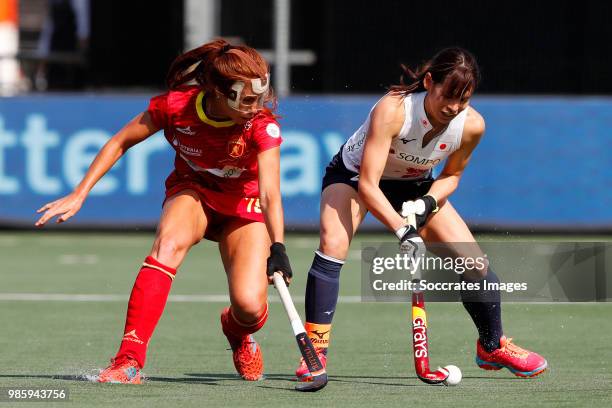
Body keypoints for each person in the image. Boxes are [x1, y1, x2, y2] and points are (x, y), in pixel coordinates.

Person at [35, 39, 293, 384]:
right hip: (194, 192)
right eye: (245, 98)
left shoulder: (261, 125)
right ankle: (128, 361)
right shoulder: (175, 108)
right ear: (216, 92)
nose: (255, 105)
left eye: (259, 96)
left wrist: (279, 247)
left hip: (242, 205)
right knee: (166, 246)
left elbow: (270, 193)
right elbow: (119, 141)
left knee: (248, 307)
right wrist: (80, 193)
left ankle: (237, 332)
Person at [295, 47, 547, 381]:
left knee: (474, 264)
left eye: (464, 100)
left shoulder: (471, 126)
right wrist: (403, 230)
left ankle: (491, 346)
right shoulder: (394, 110)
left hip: (414, 188)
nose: (453, 108)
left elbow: (451, 177)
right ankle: (315, 351)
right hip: (355, 177)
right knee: (334, 243)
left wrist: (427, 203)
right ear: (429, 82)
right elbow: (369, 186)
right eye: (448, 96)